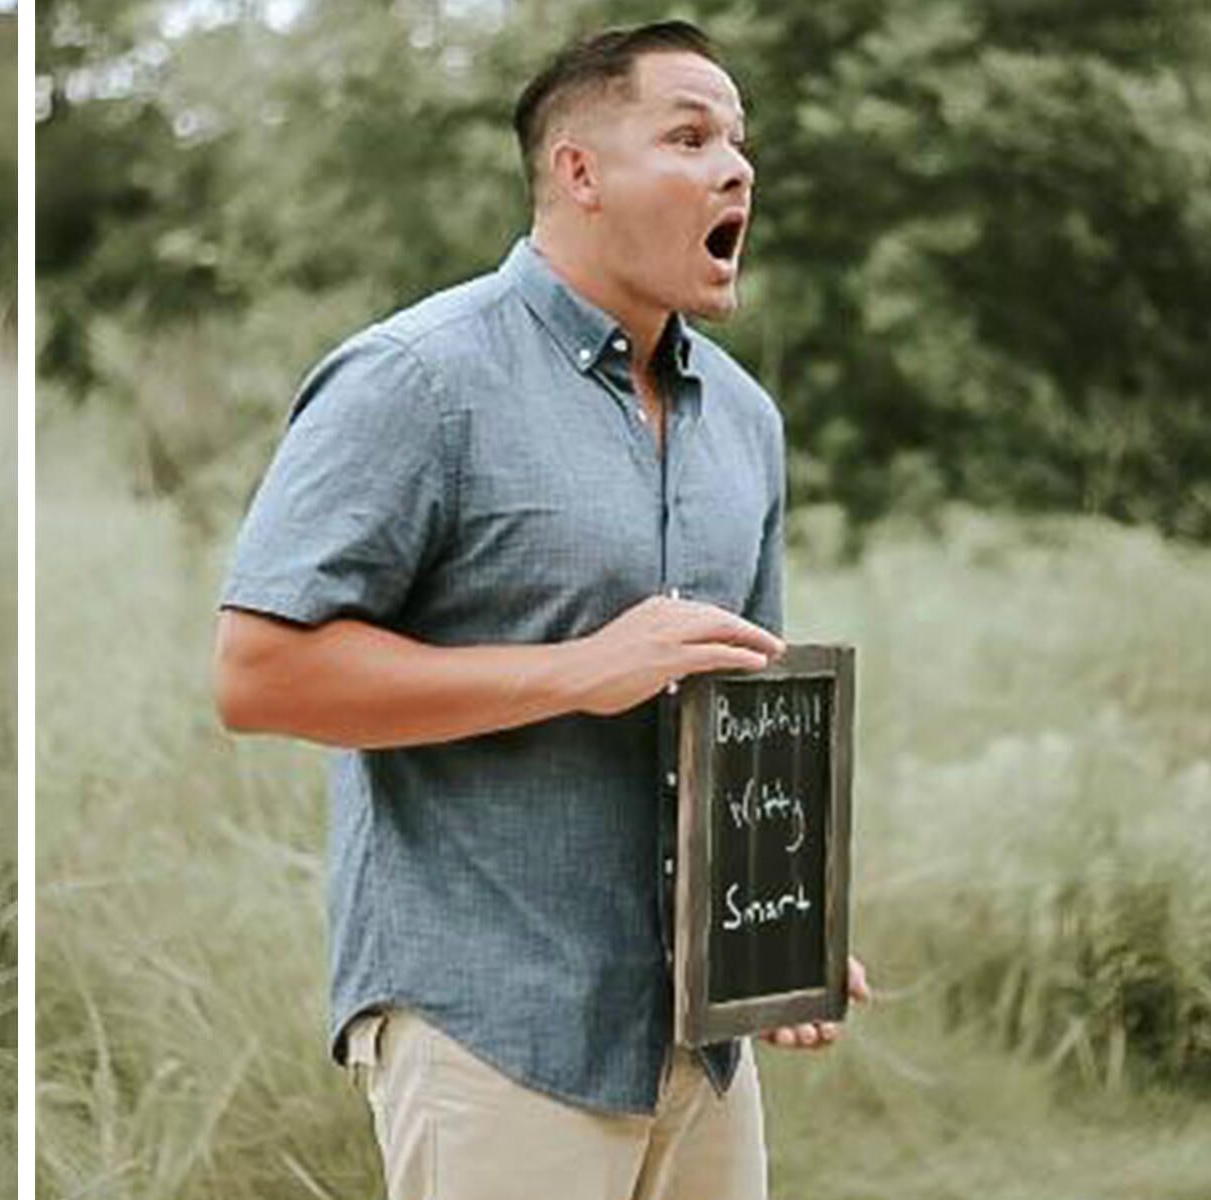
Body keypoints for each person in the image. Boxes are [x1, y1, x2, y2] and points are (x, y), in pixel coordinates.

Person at [214, 22, 868, 1200]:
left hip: (700, 1051)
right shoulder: (417, 379)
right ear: (579, 172)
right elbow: (258, 676)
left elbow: (747, 712)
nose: (738, 168)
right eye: (690, 135)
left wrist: (784, 933)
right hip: (492, 1031)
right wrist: (577, 670)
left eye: (741, 143)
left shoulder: (749, 423)